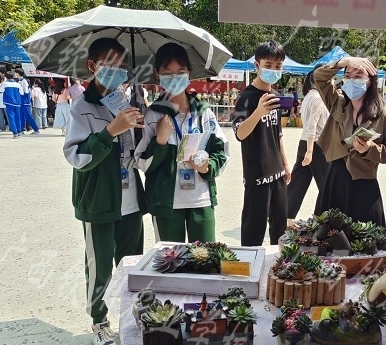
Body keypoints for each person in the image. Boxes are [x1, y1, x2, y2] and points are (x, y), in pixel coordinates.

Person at [63, 37, 145, 345]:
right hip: (99, 200)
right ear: (93, 66)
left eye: (122, 66)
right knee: (99, 268)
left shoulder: (124, 100)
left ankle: (130, 319)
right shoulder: (81, 106)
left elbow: (136, 151)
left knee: (131, 263)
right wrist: (111, 130)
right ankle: (99, 323)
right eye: (109, 65)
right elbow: (77, 157)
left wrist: (139, 125)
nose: (117, 71)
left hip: (131, 199)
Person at [135, 42, 229, 242]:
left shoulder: (204, 113)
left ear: (189, 73)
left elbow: (222, 152)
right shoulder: (152, 115)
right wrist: (160, 140)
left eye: (180, 72)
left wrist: (207, 166)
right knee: (169, 257)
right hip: (165, 204)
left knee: (205, 257)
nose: (174, 77)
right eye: (167, 73)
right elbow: (142, 163)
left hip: (200, 201)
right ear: (157, 74)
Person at [314, 56, 386, 227]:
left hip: (364, 184)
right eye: (348, 76)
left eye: (358, 76)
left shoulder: (385, 116)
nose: (351, 80)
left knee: (364, 235)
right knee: (329, 234)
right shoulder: (337, 103)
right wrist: (343, 62)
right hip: (335, 179)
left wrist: (370, 148)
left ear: (370, 81)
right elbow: (319, 76)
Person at [232, 40, 291, 246]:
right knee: (253, 230)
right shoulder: (245, 98)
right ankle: (250, 264)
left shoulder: (275, 97)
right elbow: (240, 133)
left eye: (278, 66)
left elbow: (278, 133)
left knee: (280, 230)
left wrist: (285, 164)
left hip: (277, 173)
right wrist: (258, 112)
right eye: (268, 65)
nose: (273, 70)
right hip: (257, 174)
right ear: (257, 65)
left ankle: (280, 263)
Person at [287, 66, 330, 219]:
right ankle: (323, 218)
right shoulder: (318, 98)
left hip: (305, 142)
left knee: (298, 182)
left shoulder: (309, 96)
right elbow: (312, 125)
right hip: (316, 145)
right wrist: (310, 151)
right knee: (327, 185)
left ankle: (284, 216)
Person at [14, 68, 40, 134]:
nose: (15, 74)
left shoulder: (24, 81)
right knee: (21, 116)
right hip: (20, 101)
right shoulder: (19, 81)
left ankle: (36, 129)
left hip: (25, 102)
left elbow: (25, 92)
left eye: (16, 73)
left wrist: (19, 93)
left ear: (18, 73)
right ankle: (22, 129)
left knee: (28, 116)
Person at [0, 72, 22, 138]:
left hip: (9, 103)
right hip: (17, 103)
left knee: (11, 118)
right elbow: (22, 93)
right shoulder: (17, 84)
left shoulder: (5, 84)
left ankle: (15, 133)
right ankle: (19, 132)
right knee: (18, 118)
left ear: (6, 77)